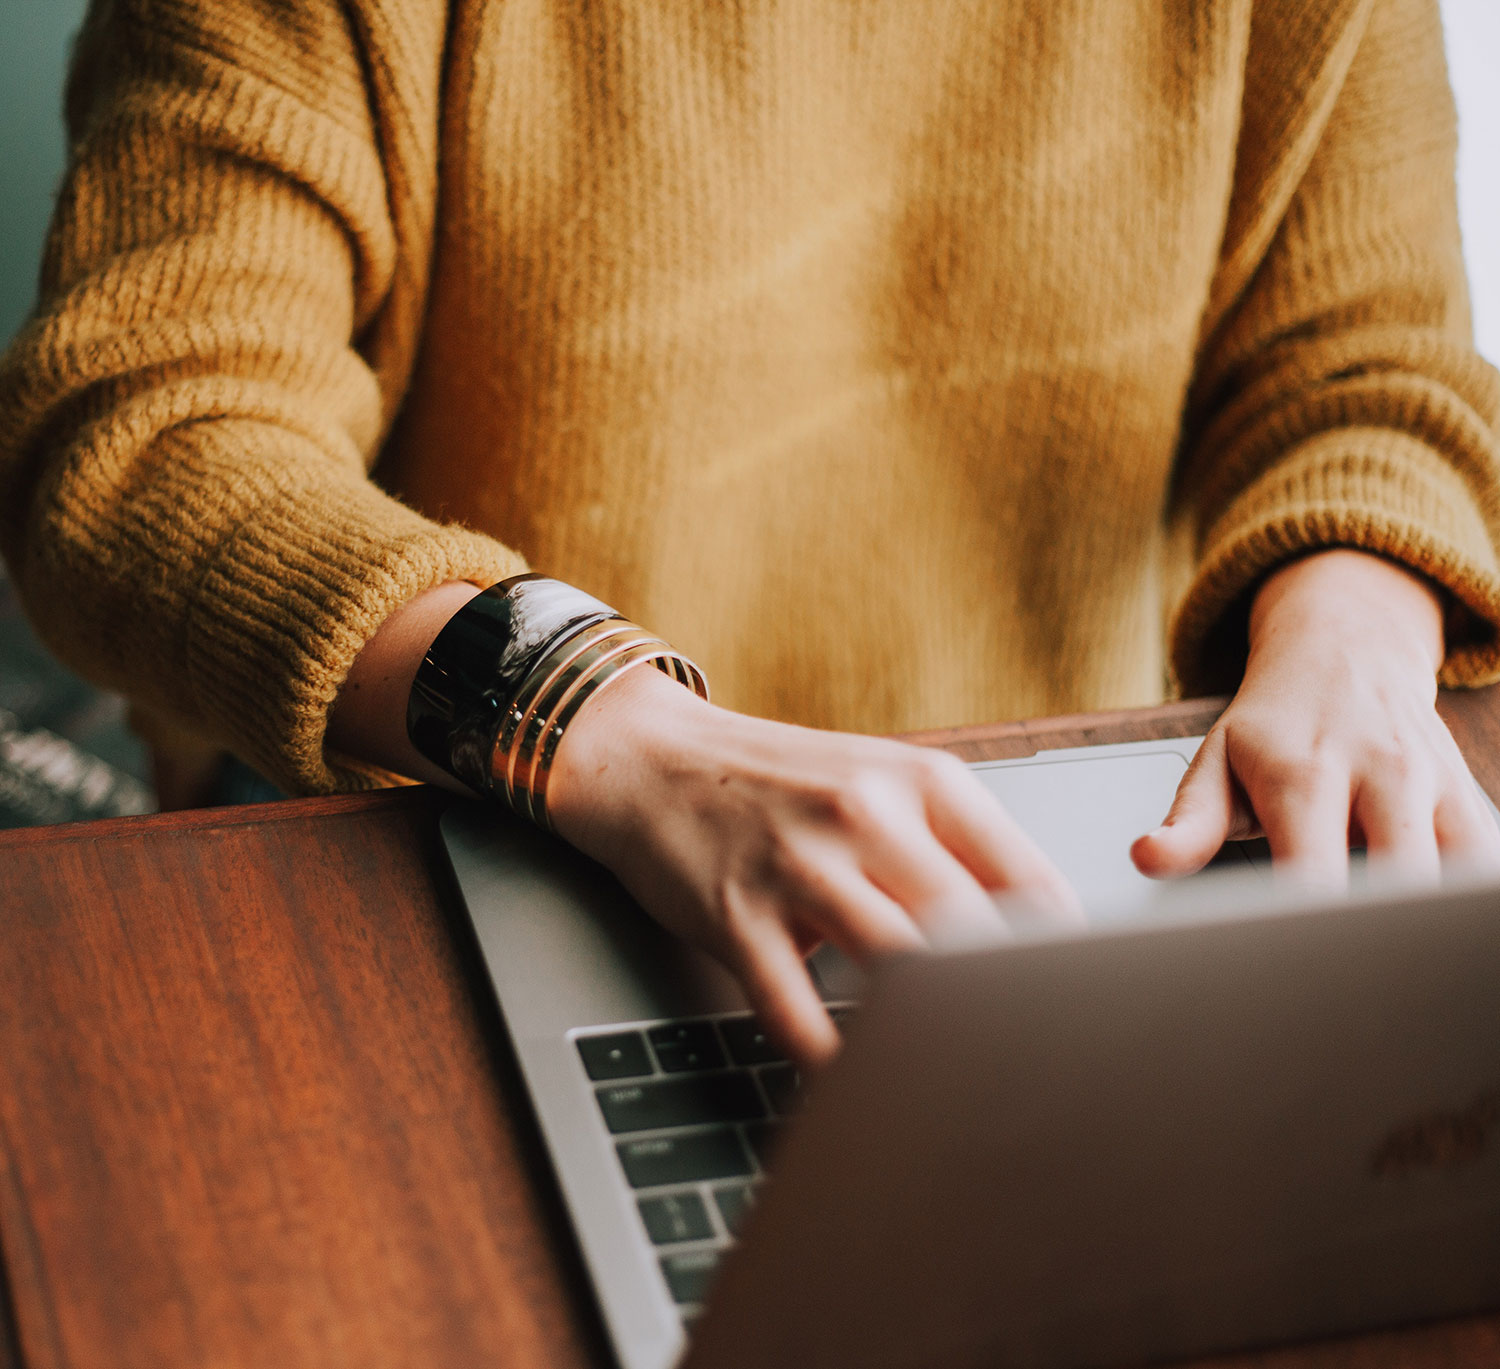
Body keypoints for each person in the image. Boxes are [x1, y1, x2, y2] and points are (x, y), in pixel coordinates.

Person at [2, 0, 1498, 1065]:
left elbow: (1370, 367)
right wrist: (596, 720)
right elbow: (145, 430)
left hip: (1083, 865)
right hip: (482, 834)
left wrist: (1357, 632)